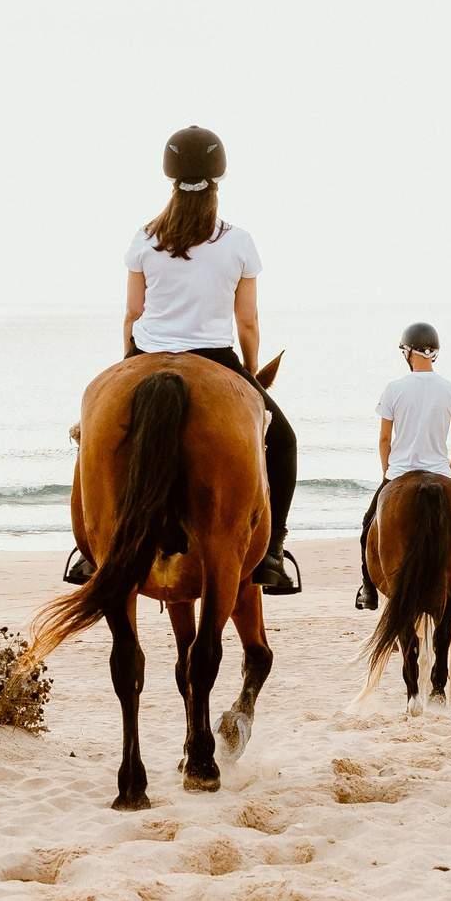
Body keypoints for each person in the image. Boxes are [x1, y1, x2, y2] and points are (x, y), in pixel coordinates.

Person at [62, 125, 302, 594]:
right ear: (219, 179)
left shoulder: (144, 237)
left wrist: (128, 362)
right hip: (214, 356)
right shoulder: (239, 242)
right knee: (285, 441)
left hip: (146, 350)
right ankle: (271, 552)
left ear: (170, 179)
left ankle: (90, 549)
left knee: (93, 430)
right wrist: (249, 375)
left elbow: (133, 312)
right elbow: (247, 323)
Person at [357, 322, 451, 642]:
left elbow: (384, 439)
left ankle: (368, 588)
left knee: (369, 525)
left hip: (398, 473)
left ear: (408, 352)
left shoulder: (393, 388)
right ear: (434, 352)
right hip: (440, 472)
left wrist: (388, 474)